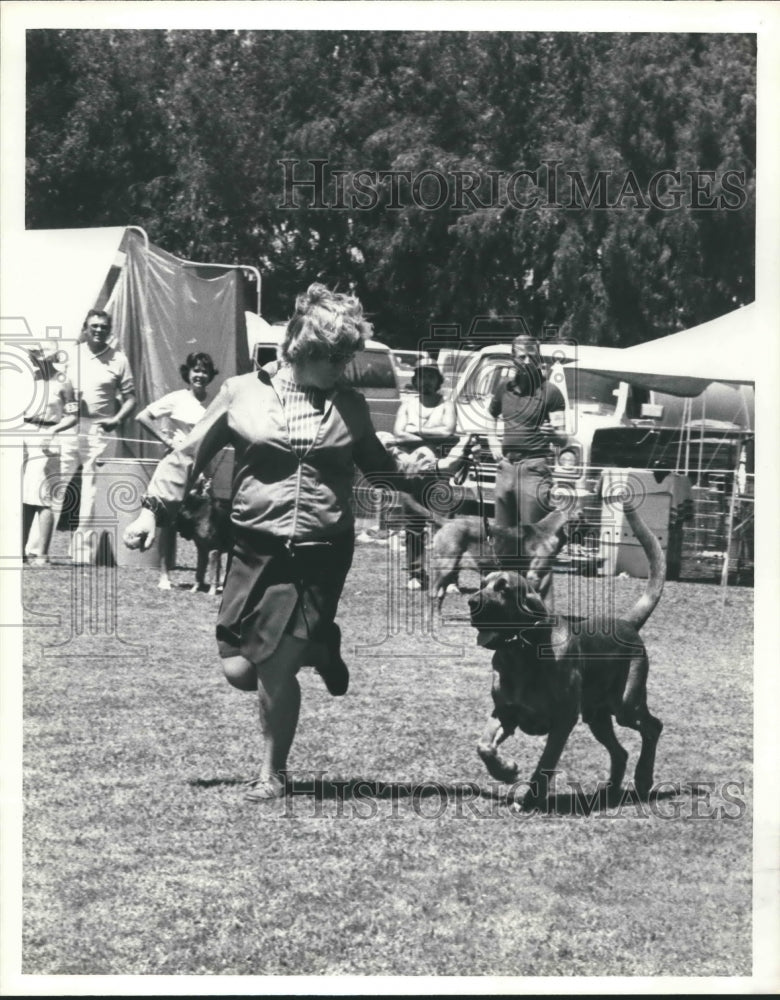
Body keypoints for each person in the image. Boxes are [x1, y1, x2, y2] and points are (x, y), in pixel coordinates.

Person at [122, 283, 474, 804]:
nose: (345, 367)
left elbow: (381, 468)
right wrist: (153, 510)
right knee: (239, 669)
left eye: (348, 357)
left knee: (273, 666)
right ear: (304, 351)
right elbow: (188, 453)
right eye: (337, 357)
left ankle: (273, 773)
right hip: (253, 546)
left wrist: (431, 476)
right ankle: (321, 645)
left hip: (321, 551)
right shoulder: (242, 392)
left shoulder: (350, 405)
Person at [55, 310, 136, 564]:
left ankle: (81, 553)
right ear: (85, 327)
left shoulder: (119, 359)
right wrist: (70, 413)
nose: (98, 330)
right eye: (94, 326)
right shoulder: (73, 354)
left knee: (91, 492)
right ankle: (36, 548)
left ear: (109, 329)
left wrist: (116, 420)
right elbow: (62, 390)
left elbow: (131, 398)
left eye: (103, 326)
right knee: (56, 484)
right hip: (70, 426)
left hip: (101, 431)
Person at [136, 352, 220, 590]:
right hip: (175, 467)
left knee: (205, 524)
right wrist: (167, 440)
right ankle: (164, 575)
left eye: (205, 371)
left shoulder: (214, 402)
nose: (200, 375)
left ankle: (202, 578)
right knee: (168, 521)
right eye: (196, 370)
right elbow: (143, 416)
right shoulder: (177, 398)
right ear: (188, 373)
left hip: (203, 469)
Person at [487, 335, 566, 555]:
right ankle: (506, 585)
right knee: (503, 535)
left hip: (534, 469)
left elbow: (563, 437)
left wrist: (554, 434)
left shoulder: (551, 392)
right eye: (522, 356)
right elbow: (491, 416)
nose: (528, 361)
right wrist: (493, 441)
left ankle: (532, 586)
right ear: (513, 360)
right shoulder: (504, 388)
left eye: (532, 356)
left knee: (533, 537)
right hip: (506, 468)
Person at [392, 362, 457, 590]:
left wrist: (415, 431)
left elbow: (448, 432)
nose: (426, 381)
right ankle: (416, 574)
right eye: (421, 376)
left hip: (439, 469)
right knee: (413, 522)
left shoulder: (447, 405)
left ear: (438, 381)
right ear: (415, 380)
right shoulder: (407, 405)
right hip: (412, 470)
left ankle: (448, 578)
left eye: (431, 376)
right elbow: (398, 435)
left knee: (444, 523)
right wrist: (430, 436)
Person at [21, 348, 78, 565]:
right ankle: (20, 552)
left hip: (49, 438)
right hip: (25, 436)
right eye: (34, 355)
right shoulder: (27, 378)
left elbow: (73, 416)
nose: (36, 359)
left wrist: (54, 431)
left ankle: (43, 554)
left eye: (40, 355)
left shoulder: (63, 381)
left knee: (43, 499)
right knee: (24, 499)